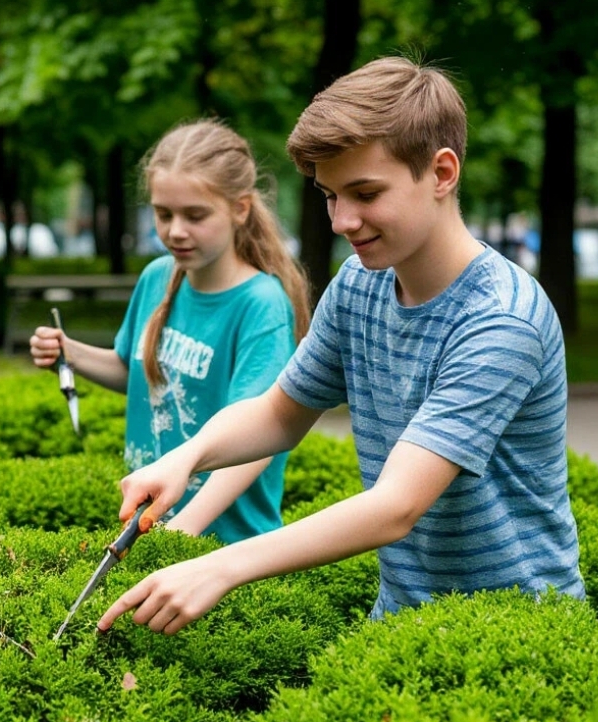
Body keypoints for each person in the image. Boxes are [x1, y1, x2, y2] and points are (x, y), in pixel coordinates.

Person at [97, 56, 585, 635]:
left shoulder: (501, 320)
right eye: (330, 195)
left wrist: (219, 567)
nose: (341, 220)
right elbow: (281, 413)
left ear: (442, 172)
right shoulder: (360, 283)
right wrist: (187, 458)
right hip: (399, 621)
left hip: (515, 633)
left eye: (365, 192)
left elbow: (395, 507)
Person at [30, 119, 311, 544]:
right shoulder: (157, 277)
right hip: (150, 526)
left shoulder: (260, 305)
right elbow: (140, 374)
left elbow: (258, 439)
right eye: (163, 214)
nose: (176, 230)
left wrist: (183, 531)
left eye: (195, 215)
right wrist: (70, 354)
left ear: (240, 208)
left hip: (223, 545)